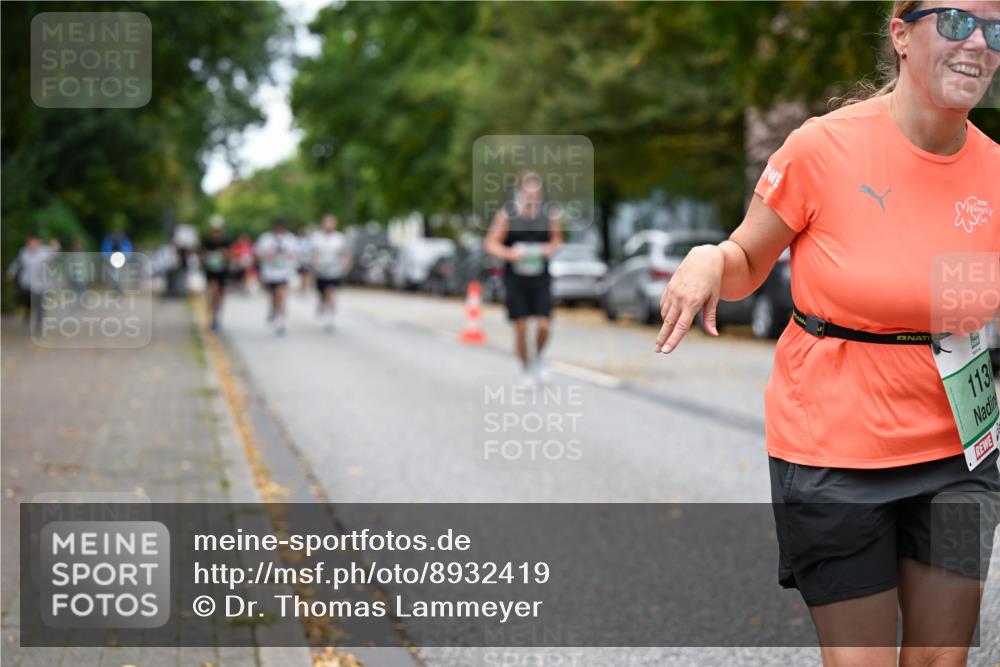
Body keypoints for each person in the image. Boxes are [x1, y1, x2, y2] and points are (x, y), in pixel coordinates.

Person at [654, 2, 1000, 664]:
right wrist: (707, 259)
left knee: (942, 658)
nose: (979, 43)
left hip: (961, 454)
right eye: (957, 22)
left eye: (997, 29)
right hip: (835, 452)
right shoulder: (823, 147)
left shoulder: (995, 172)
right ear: (901, 34)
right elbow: (746, 260)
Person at [485, 171, 563, 385]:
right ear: (519, 190)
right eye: (527, 189)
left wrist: (548, 249)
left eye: (535, 190)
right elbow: (490, 244)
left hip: (540, 278)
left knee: (544, 325)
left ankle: (537, 358)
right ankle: (525, 368)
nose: (531, 194)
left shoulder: (549, 214)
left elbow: (557, 240)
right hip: (515, 278)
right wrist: (510, 254)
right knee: (520, 327)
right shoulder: (507, 215)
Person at [254, 218, 298, 335]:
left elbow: (296, 254)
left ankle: (282, 321)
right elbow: (257, 254)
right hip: (269, 273)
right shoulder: (265, 238)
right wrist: (267, 255)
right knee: (274, 296)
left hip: (284, 273)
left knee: (281, 296)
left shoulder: (290, 239)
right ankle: (274, 310)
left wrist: (289, 256)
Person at [6, 233, 54, 333]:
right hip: (27, 283)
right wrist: (11, 273)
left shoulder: (45, 251)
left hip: (41, 284)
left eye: (33, 242)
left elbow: (55, 254)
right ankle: (28, 312)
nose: (31, 244)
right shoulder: (24, 252)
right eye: (29, 242)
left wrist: (55, 247)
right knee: (28, 300)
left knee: (40, 304)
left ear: (38, 242)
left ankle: (39, 325)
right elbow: (16, 263)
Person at [310, 214, 348, 332]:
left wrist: (343, 265)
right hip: (321, 272)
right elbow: (312, 253)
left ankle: (331, 318)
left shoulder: (339, 238)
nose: (328, 225)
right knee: (323, 294)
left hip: (334, 271)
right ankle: (321, 305)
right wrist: (314, 264)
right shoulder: (316, 237)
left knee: (330, 293)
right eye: (327, 222)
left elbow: (344, 253)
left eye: (331, 222)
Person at [200, 216, 231, 332]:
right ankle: (212, 315)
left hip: (222, 272)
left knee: (219, 296)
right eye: (214, 230)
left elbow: (230, 257)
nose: (216, 233)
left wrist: (225, 254)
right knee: (213, 292)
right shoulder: (207, 242)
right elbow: (201, 256)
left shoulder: (226, 241)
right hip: (211, 272)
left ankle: (216, 316)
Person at [296, 226, 313, 293]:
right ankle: (303, 287)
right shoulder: (298, 240)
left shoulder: (308, 240)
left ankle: (305, 287)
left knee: (306, 274)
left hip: (306, 260)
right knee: (303, 275)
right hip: (301, 260)